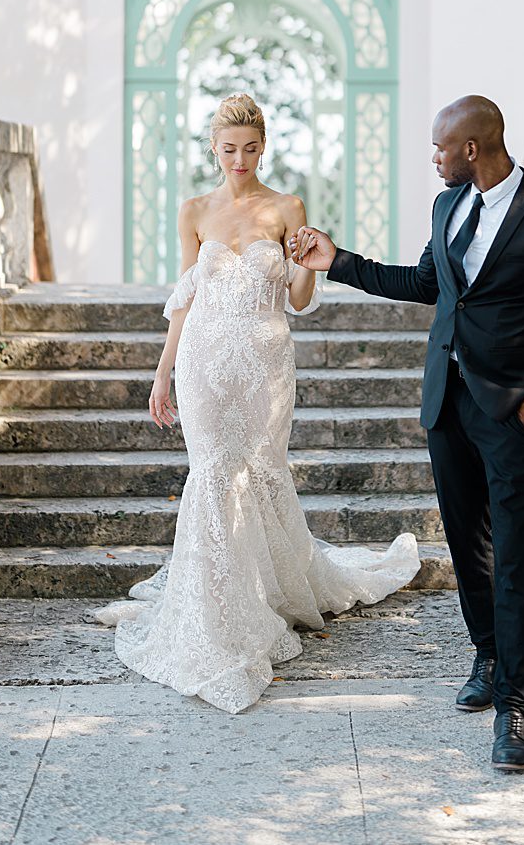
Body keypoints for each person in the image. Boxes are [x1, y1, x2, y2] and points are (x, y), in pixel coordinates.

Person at [292, 94, 524, 773]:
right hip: (447, 403)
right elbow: (424, 283)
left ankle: (514, 707)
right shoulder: (448, 207)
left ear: (473, 147)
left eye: (441, 147)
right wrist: (336, 258)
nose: (433, 157)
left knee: (517, 557)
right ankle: (487, 652)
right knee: (470, 545)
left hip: (513, 412)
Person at [92, 93, 421, 713]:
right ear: (213, 149)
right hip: (205, 362)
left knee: (260, 472)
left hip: (266, 363)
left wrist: (307, 263)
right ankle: (218, 610)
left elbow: (298, 298)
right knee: (213, 473)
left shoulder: (286, 206)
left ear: (262, 147)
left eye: (249, 148)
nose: (239, 158)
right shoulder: (193, 210)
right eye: (228, 148)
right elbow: (185, 298)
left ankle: (267, 591)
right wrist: (161, 375)